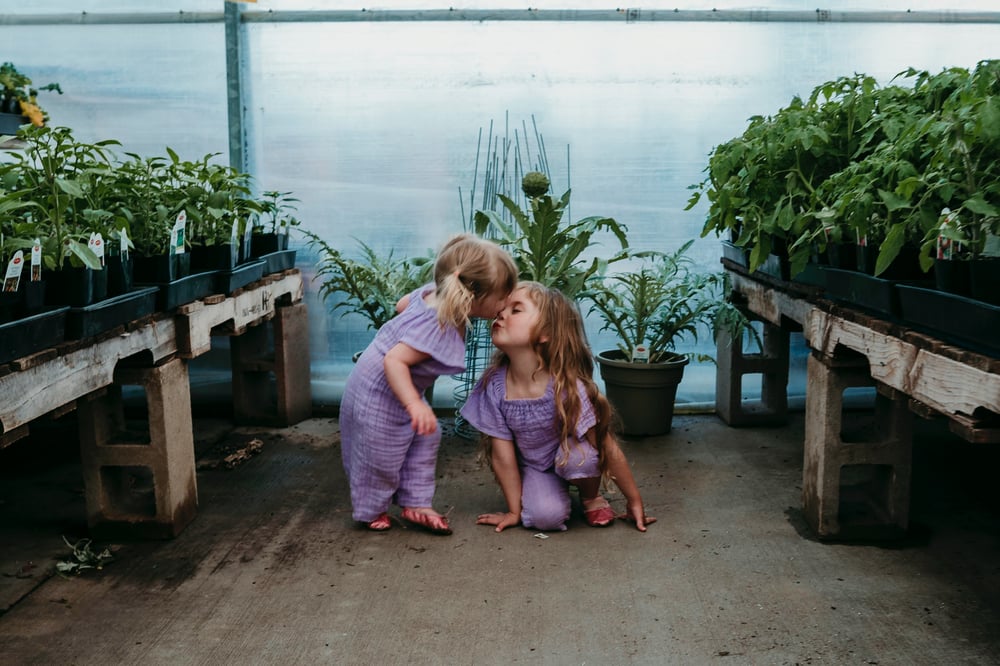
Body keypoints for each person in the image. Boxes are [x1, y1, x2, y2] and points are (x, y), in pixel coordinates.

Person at [339, 234, 517, 534]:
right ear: (471, 294)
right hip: (379, 392)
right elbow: (394, 360)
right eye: (502, 296)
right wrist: (412, 403)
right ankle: (371, 509)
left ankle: (415, 502)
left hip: (393, 384)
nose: (505, 302)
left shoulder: (433, 293)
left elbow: (401, 305)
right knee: (381, 454)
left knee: (426, 437)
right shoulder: (439, 324)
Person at [460, 281, 656, 533]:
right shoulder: (494, 386)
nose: (500, 314)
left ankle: (590, 497)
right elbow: (502, 455)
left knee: (580, 459)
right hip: (533, 466)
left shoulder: (567, 386)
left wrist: (634, 500)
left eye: (515, 310)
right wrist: (513, 511)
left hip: (569, 453)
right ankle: (544, 489)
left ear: (546, 332)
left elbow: (604, 444)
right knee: (546, 518)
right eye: (501, 310)